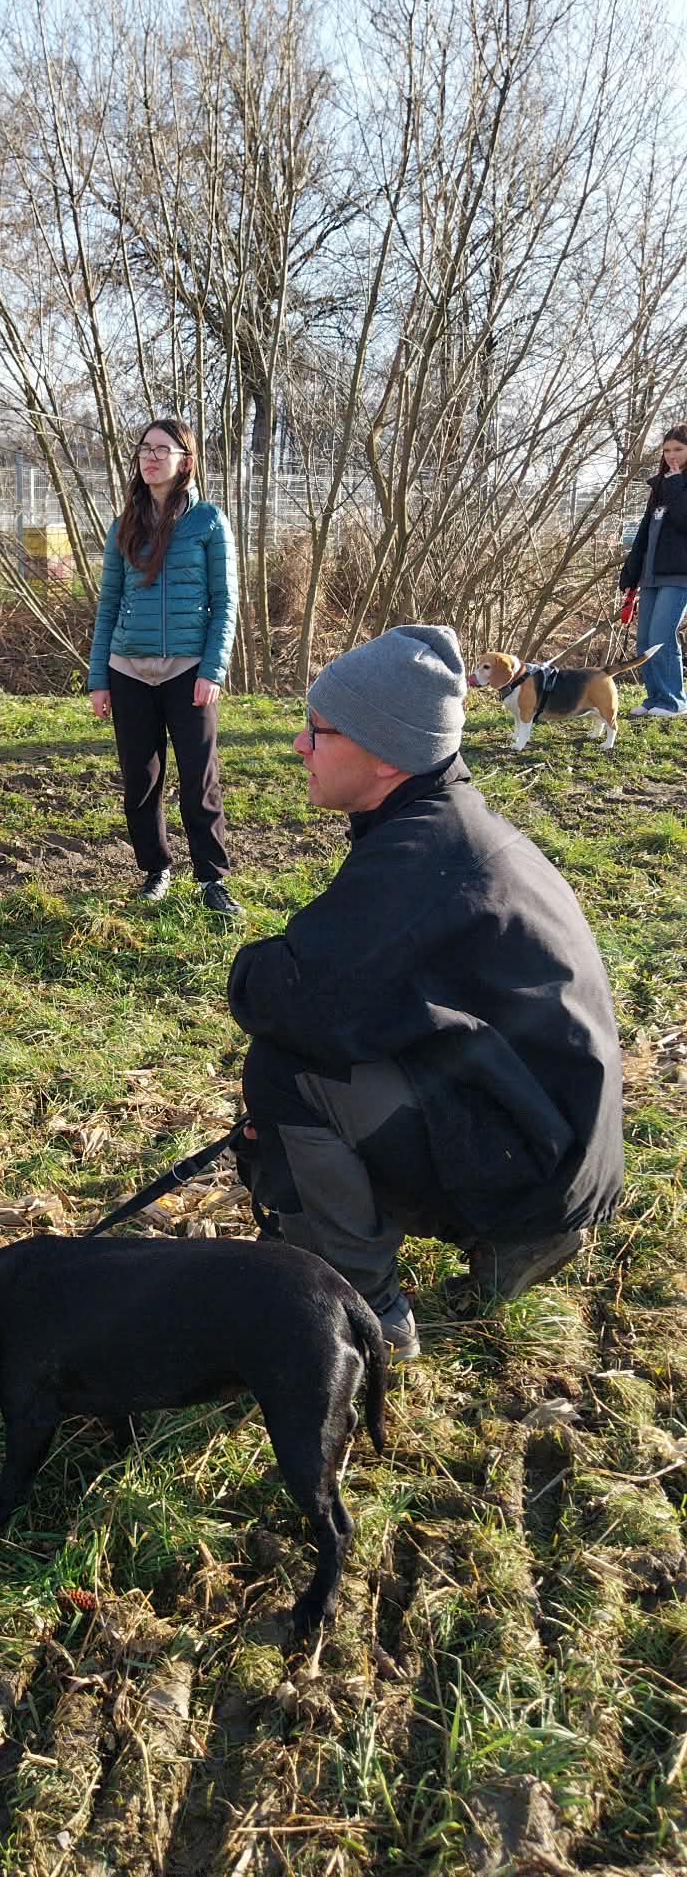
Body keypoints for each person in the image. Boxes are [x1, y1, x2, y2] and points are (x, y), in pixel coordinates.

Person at [227, 624, 624, 1361]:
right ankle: (499, 1235)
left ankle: (366, 1310)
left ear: (384, 755)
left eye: (317, 732)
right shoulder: (450, 825)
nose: (298, 747)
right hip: (552, 1144)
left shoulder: (426, 856)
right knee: (327, 1049)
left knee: (285, 1070)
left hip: (537, 1167)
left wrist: (266, 969)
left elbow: (281, 994)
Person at [87, 418, 242, 917]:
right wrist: (98, 678)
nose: (150, 457)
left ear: (184, 461)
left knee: (199, 777)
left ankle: (211, 880)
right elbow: (108, 604)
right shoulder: (124, 524)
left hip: (188, 669)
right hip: (127, 670)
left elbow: (225, 602)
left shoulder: (209, 521)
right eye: (145, 449)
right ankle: (155, 869)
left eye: (163, 449)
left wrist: (212, 670)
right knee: (141, 779)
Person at [618, 426, 687, 718]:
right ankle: (654, 698)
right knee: (645, 638)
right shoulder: (659, 486)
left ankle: (674, 702)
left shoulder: (673, 485)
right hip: (650, 574)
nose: (671, 456)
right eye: (667, 450)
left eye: (678, 450)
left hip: (679, 575)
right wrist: (630, 573)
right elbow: (644, 534)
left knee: (662, 634)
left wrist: (675, 484)